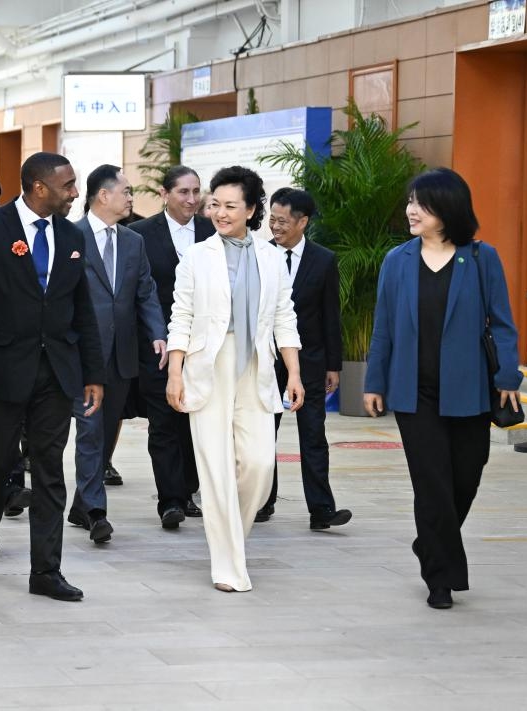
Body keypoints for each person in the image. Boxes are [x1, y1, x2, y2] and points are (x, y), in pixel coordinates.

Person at [363, 167, 522, 610]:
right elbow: (384, 329)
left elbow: (503, 323)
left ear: (447, 209)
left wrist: (508, 375)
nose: (411, 210)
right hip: (415, 394)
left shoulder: (481, 257)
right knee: (431, 484)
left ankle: (430, 543)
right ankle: (440, 578)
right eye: (411, 201)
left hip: (470, 389)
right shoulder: (398, 261)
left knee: (465, 479)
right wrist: (375, 381)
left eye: (422, 203)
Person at [0, 151, 105, 602]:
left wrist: (93, 372)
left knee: (50, 469)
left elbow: (82, 309)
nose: (75, 193)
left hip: (55, 372)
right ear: (40, 187)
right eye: (68, 185)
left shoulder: (73, 234)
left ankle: (46, 571)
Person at [165, 165, 303, 593]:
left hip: (256, 366)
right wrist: (174, 372)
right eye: (215, 204)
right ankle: (227, 565)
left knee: (259, 466)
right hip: (208, 366)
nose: (219, 213)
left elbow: (284, 316)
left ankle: (231, 540)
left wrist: (293, 371)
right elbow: (181, 316)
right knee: (215, 468)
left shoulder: (270, 257)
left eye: (229, 206)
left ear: (251, 209)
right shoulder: (196, 256)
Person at [67, 164, 166, 544]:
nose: (130, 198)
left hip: (122, 353)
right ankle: (95, 511)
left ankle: (81, 504)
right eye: (125, 191)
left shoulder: (132, 241)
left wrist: (157, 333)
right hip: (81, 353)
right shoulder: (70, 236)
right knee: (90, 430)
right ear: (102, 195)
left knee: (106, 431)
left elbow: (145, 291)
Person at [259, 188, 351, 529]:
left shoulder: (323, 260)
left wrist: (333, 365)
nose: (276, 227)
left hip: (310, 362)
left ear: (303, 222)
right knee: (264, 433)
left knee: (313, 435)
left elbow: (331, 316)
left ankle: (322, 510)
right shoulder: (260, 255)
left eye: (283, 221)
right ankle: (262, 502)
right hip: (267, 362)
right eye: (272, 220)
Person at [127, 165, 214, 528]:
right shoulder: (140, 235)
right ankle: (171, 501)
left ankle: (189, 489)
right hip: (158, 345)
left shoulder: (214, 232)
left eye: (196, 192)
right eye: (183, 192)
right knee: (162, 422)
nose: (192, 199)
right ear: (165, 194)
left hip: (204, 345)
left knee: (195, 420)